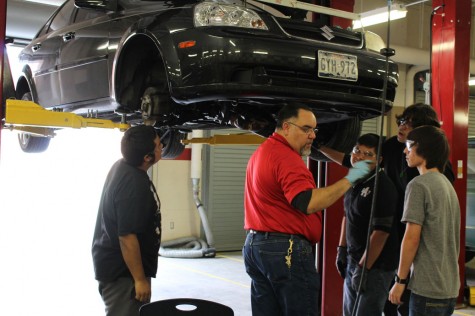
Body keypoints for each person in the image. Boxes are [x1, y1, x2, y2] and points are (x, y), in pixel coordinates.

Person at [319, 103, 455, 316]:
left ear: (423, 135)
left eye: (409, 125)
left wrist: (402, 279)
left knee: (402, 303)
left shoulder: (433, 178)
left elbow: (422, 232)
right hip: (395, 247)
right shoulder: (392, 147)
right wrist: (319, 148)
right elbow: (357, 161)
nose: (401, 127)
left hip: (416, 254)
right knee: (389, 305)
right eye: (401, 121)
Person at [242, 103, 373, 316]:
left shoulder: (263, 152)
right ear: (286, 127)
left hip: (255, 246)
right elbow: (307, 202)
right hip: (285, 250)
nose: (312, 135)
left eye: (314, 130)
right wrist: (351, 178)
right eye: (306, 129)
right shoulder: (286, 157)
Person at [388, 125, 460, 315]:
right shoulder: (447, 185)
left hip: (427, 290)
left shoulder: (419, 185)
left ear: (425, 148)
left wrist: (400, 281)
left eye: (409, 145)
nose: (405, 150)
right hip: (449, 288)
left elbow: (412, 237)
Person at [92, 125, 163, 316]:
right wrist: (139, 279)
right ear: (147, 157)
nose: (162, 146)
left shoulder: (122, 165)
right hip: (123, 273)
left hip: (120, 267)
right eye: (157, 145)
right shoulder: (133, 184)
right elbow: (126, 236)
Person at [334, 134, 398, 316]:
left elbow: (381, 232)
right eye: (357, 151)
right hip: (354, 260)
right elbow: (347, 216)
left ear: (379, 160)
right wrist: (341, 249)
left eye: (367, 154)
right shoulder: (354, 181)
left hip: (376, 267)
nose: (359, 156)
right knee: (348, 312)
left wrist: (363, 268)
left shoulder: (383, 186)